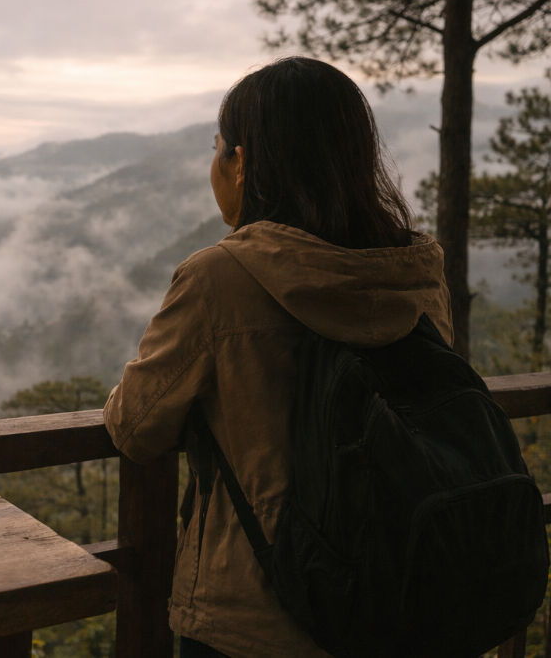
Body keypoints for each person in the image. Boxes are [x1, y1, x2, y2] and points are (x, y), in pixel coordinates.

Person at [103, 56, 453, 657]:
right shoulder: (417, 271)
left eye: (219, 149)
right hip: (402, 593)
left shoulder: (219, 278)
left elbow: (134, 428)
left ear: (241, 164)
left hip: (256, 615)